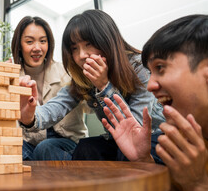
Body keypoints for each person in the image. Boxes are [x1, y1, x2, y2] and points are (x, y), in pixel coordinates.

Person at [19, 9, 165, 163]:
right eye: (75, 48)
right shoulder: (83, 78)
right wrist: (30, 116)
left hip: (153, 138)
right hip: (117, 141)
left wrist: (103, 85)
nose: (82, 55)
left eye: (89, 44)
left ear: (107, 40)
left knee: (124, 153)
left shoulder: (139, 67)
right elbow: (58, 105)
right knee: (86, 147)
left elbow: (135, 128)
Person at [101, 14, 208, 191]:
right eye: (151, 72)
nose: (150, 85)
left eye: (161, 67)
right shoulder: (180, 139)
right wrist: (144, 162)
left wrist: (202, 186)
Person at [11, 16, 88, 160]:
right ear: (19, 45)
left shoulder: (67, 71)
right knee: (13, 149)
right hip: (30, 144)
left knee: (45, 148)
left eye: (43, 41)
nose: (37, 48)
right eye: (29, 41)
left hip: (68, 143)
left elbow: (88, 108)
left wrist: (94, 84)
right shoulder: (11, 77)